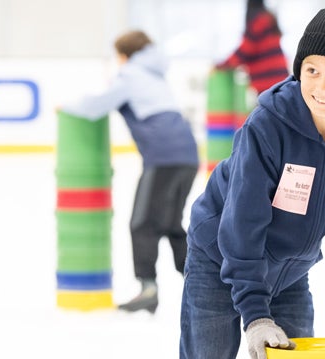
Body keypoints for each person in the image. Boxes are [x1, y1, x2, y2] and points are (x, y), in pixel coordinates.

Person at [180, 7, 325, 359]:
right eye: (312, 70)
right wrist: (256, 314)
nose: (322, 87)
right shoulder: (267, 126)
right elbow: (243, 222)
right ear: (299, 72)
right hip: (219, 257)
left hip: (291, 270)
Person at [59, 30, 199, 313]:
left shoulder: (129, 75)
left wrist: (65, 107)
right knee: (172, 223)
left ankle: (148, 288)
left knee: (142, 223)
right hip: (187, 155)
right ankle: (201, 285)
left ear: (124, 55)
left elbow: (94, 106)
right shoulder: (155, 74)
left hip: (163, 158)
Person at [215, 0, 289, 95]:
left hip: (268, 79)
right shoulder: (267, 18)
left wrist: (223, 65)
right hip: (279, 76)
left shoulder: (258, 21)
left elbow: (244, 51)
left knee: (268, 108)